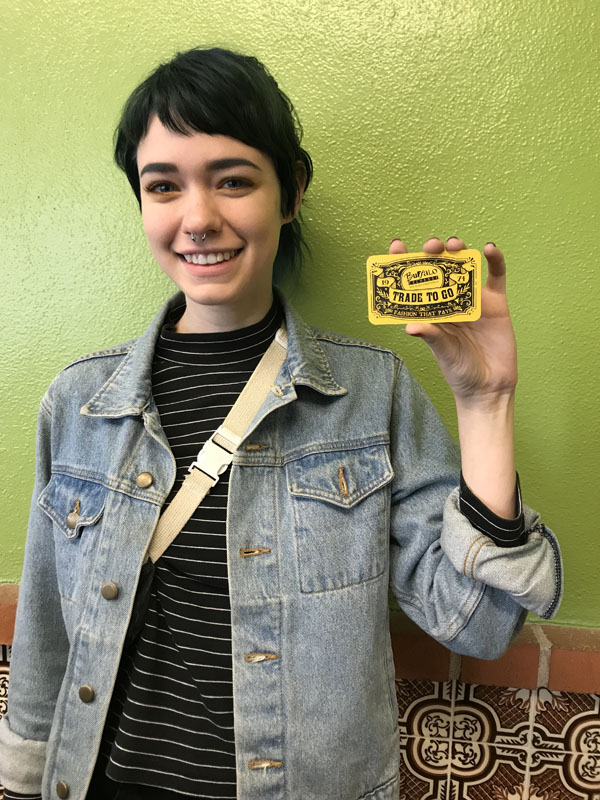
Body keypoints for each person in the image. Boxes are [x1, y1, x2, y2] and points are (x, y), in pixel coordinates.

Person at [0, 46, 562, 800]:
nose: (198, 218)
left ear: (290, 191)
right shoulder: (79, 403)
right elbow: (43, 630)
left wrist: (486, 403)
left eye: (233, 180)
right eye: (163, 186)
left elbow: (482, 630)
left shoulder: (373, 392)